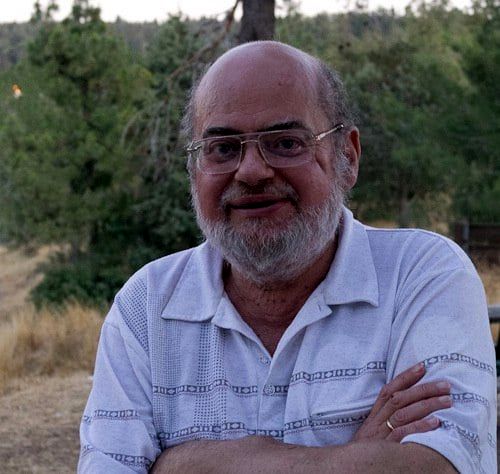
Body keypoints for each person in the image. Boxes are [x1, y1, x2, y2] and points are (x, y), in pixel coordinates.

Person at [78, 41, 496, 473]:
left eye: (285, 143)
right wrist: (354, 457)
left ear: (347, 157)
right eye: (223, 148)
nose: (251, 171)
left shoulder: (421, 275)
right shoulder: (147, 306)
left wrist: (184, 464)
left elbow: (437, 466)